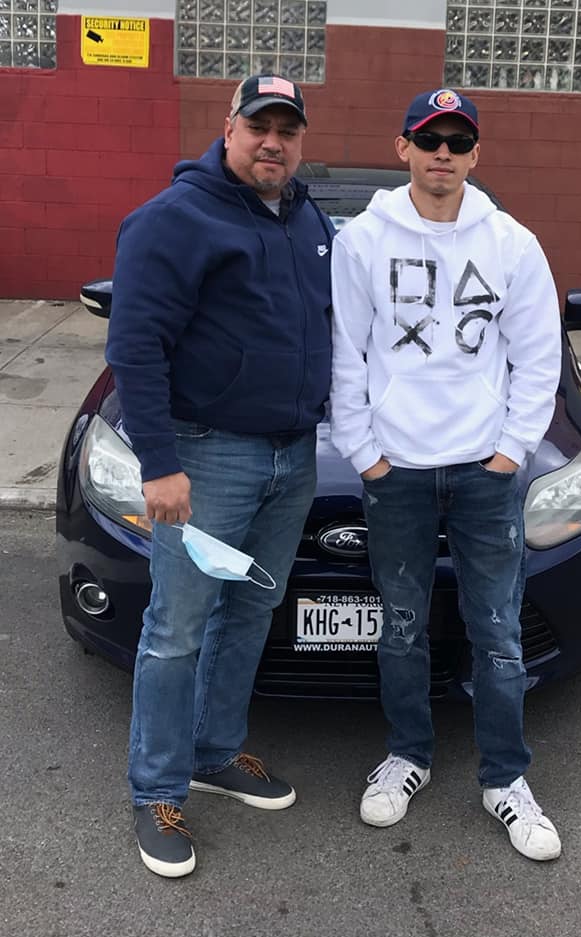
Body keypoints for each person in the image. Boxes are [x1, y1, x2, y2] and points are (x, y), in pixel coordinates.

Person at [105, 74, 333, 878]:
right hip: (207, 458)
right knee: (176, 630)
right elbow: (134, 348)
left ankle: (213, 752)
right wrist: (160, 464)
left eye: (287, 130)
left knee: (250, 610)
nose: (273, 142)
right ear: (228, 128)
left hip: (291, 454)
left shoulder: (307, 217)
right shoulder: (173, 219)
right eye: (258, 126)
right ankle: (156, 790)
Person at [329, 88, 563, 861]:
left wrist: (511, 452)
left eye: (457, 142)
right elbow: (346, 351)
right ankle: (407, 756)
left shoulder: (512, 243)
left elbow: (537, 356)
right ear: (402, 148)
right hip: (395, 470)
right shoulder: (364, 240)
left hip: (481, 472)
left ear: (474, 155)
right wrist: (364, 452)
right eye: (428, 139)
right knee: (401, 627)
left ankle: (505, 779)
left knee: (496, 630)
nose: (442, 153)